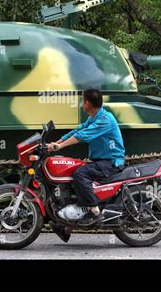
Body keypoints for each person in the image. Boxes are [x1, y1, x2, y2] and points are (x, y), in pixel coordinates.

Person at [46, 88, 125, 242]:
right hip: (100, 161)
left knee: (80, 174)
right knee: (74, 178)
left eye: (83, 100)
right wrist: (58, 142)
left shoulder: (104, 120)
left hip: (110, 162)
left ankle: (95, 212)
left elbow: (83, 135)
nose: (82, 103)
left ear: (88, 103)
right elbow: (78, 130)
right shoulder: (95, 117)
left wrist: (60, 147)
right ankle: (67, 227)